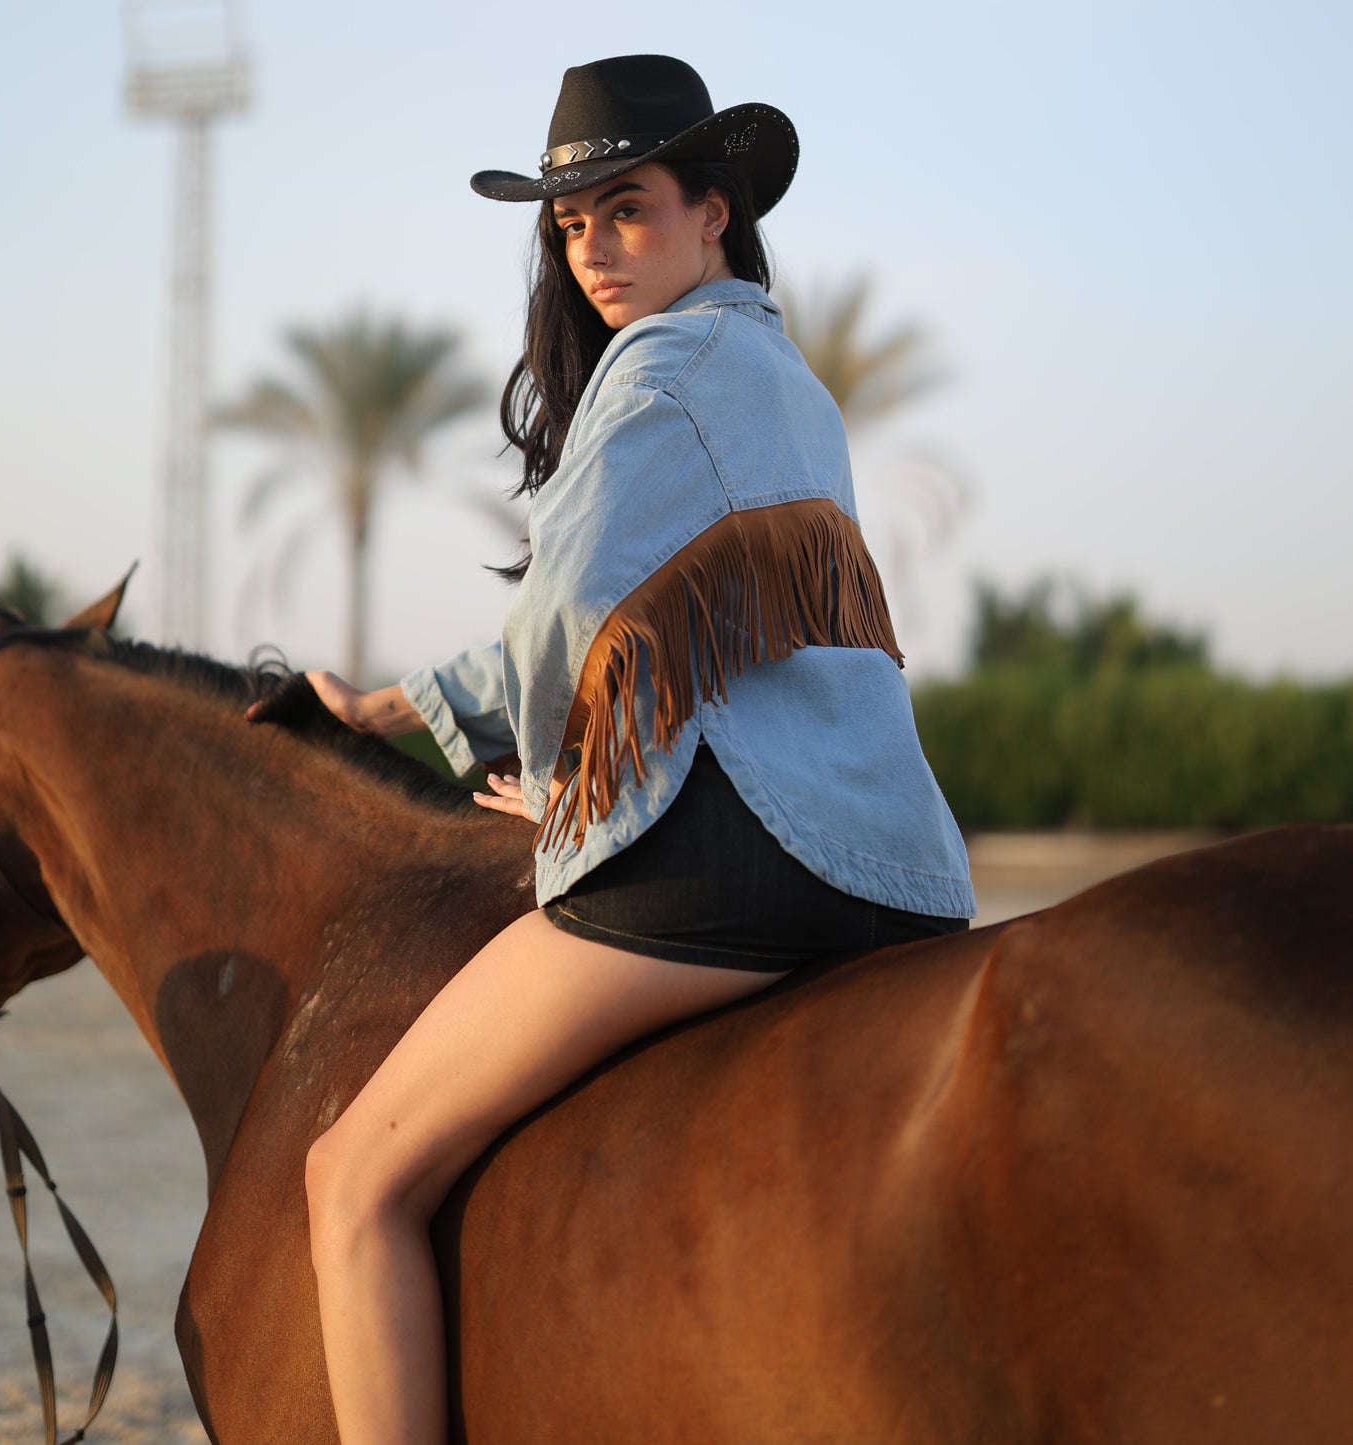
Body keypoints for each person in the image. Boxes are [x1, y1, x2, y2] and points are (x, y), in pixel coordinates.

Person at [277, 54, 976, 1445]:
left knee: (350, 1175)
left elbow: (577, 606)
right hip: (899, 870)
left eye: (628, 208)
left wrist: (534, 772)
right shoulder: (782, 374)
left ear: (713, 211)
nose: (594, 246)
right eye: (571, 222)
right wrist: (457, 714)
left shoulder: (662, 365)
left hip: (734, 859)